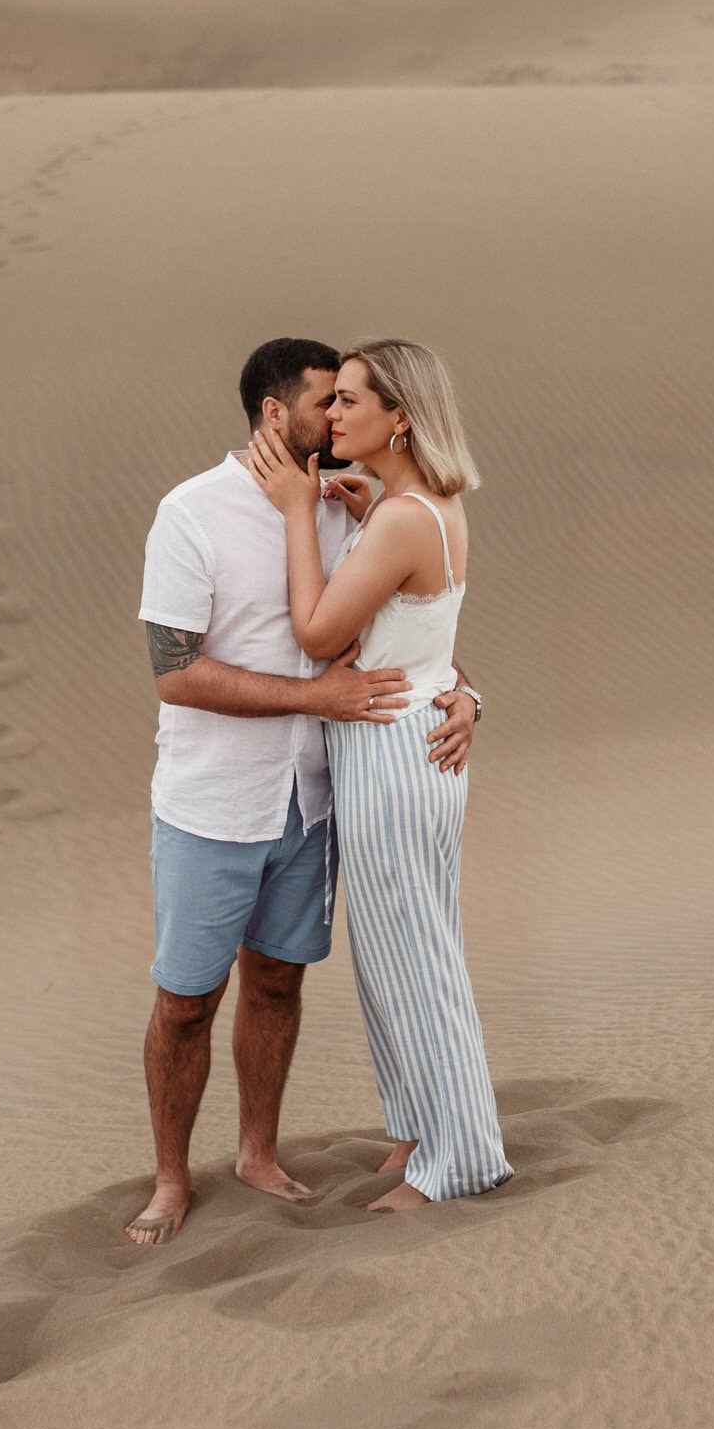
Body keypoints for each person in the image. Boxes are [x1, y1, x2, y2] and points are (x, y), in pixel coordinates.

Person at [129, 338, 482, 1244]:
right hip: (214, 803)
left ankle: (257, 1154)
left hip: (320, 799)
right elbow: (174, 674)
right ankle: (171, 1181)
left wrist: (468, 694)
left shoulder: (343, 502)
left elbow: (406, 633)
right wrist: (313, 695)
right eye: (324, 402)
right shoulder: (191, 513)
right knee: (185, 1001)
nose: (335, 418)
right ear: (271, 413)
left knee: (280, 985)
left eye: (347, 401)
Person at [246, 338, 513, 1211]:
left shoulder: (403, 518)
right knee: (397, 951)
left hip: (396, 752)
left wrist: (296, 511)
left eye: (354, 400)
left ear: (400, 417)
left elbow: (320, 636)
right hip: (409, 741)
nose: (336, 415)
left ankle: (460, 1159)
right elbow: (423, 637)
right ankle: (419, 1132)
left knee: (415, 955)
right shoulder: (411, 506)